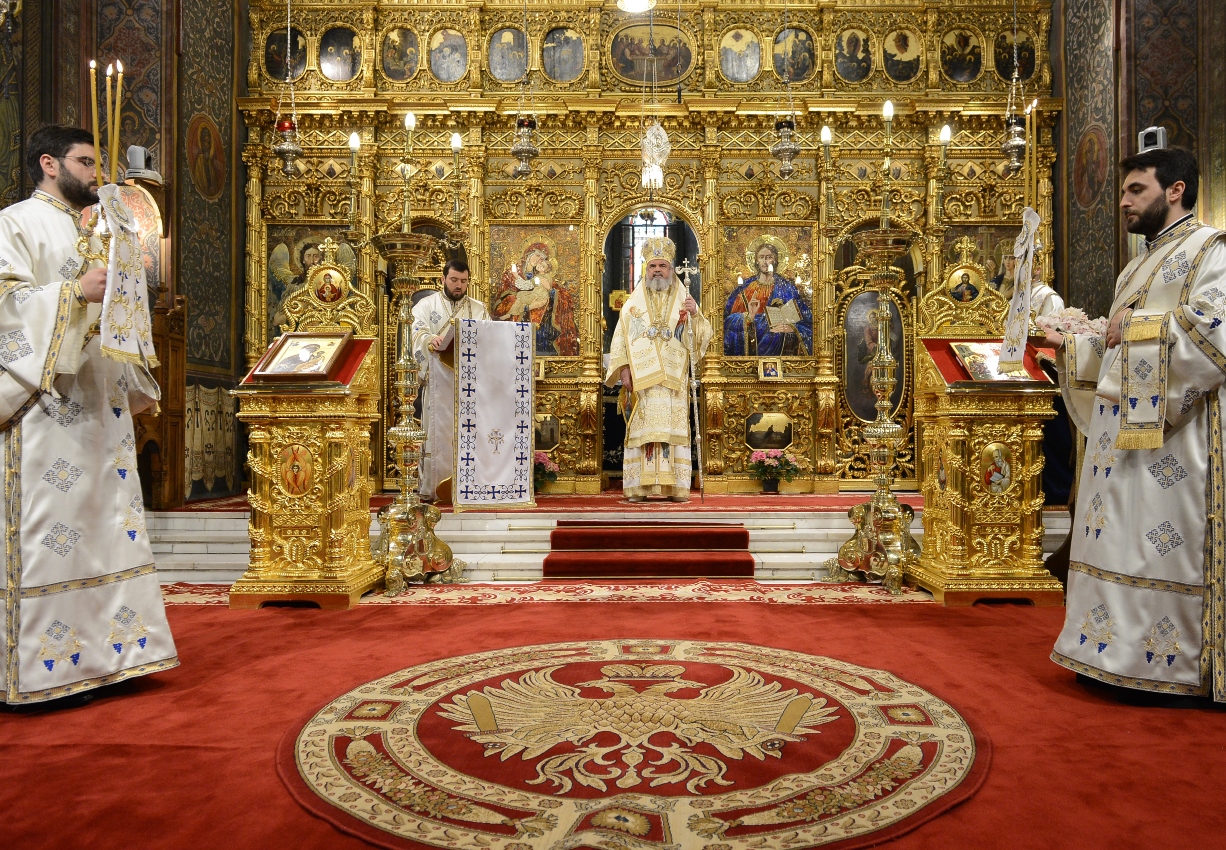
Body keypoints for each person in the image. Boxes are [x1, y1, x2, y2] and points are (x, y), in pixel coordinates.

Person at [0, 125, 177, 707]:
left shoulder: (101, 228)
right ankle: (48, 669)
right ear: (49, 164)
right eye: (84, 162)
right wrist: (74, 294)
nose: (96, 174)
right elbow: (5, 306)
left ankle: (116, 654)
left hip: (101, 400)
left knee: (107, 528)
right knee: (52, 533)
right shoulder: (16, 223)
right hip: (47, 407)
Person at [1046, 147, 1226, 702]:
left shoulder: (1211, 250)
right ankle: (1105, 652)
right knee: (1117, 539)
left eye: (1136, 190)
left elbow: (1213, 332)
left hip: (1176, 443)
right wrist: (1074, 347)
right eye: (1124, 191)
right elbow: (1115, 351)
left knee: (1157, 544)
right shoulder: (1137, 265)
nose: (1123, 201)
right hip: (1119, 445)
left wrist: (1137, 326)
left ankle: (1166, 666)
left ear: (1176, 189)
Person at [605, 237, 711, 502]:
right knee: (643, 432)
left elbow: (700, 338)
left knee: (672, 432)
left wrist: (695, 315)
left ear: (671, 268)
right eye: (652, 266)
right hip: (643, 381)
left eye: (662, 266)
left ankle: (675, 488)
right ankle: (639, 488)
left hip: (674, 381)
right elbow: (620, 339)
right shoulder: (633, 303)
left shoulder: (685, 299)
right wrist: (624, 370)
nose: (657, 271)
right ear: (646, 268)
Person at [411, 259, 489, 501]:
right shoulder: (426, 305)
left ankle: (471, 486)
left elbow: (488, 340)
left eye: (464, 281)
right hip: (437, 385)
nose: (459, 285)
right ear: (443, 279)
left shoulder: (479, 309)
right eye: (454, 280)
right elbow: (416, 332)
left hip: (469, 388)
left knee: (471, 435)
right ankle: (432, 488)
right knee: (436, 435)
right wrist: (429, 340)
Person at [724, 241, 813, 356]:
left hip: (781, 348)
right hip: (752, 347)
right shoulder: (745, 289)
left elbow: (807, 322)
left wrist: (792, 328)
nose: (765, 262)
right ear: (756, 260)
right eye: (761, 257)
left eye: (769, 257)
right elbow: (728, 322)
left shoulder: (787, 288)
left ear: (775, 260)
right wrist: (749, 317)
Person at [491, 243, 579, 356]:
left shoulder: (543, 277)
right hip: (522, 314)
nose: (539, 260)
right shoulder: (513, 273)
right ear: (528, 255)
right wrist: (527, 306)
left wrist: (551, 291)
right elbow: (508, 293)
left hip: (541, 317)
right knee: (514, 299)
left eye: (542, 259)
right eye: (537, 256)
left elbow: (560, 294)